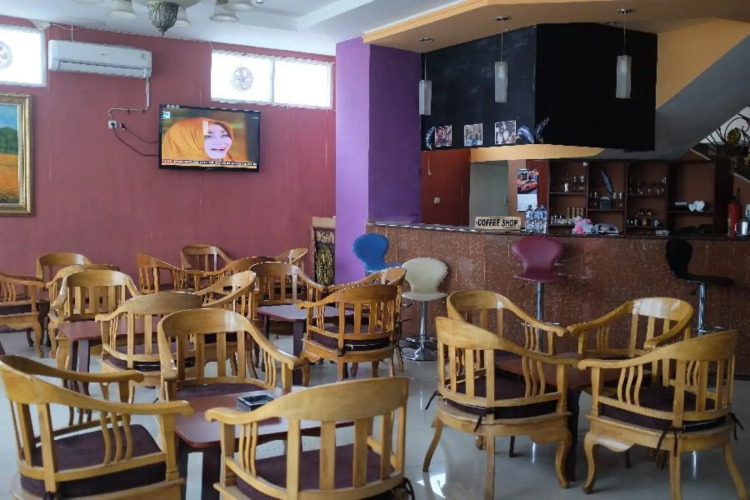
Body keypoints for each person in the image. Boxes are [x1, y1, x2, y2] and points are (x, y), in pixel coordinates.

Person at [162, 117, 243, 163]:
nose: (221, 142)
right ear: (184, 141)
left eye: (224, 135)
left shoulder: (242, 165)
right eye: (208, 136)